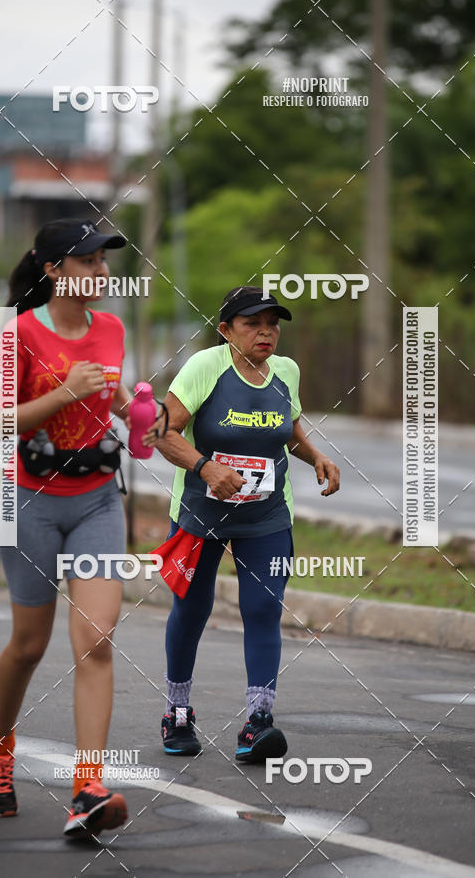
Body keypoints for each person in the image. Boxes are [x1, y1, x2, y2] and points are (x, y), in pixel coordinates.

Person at [0, 217, 134, 838]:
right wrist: (66, 392)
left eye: (103, 262)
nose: (101, 273)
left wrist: (144, 415)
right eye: (89, 261)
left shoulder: (114, 330)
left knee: (96, 642)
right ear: (53, 270)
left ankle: (88, 787)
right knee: (29, 645)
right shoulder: (13, 336)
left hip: (97, 502)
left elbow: (120, 399)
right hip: (28, 501)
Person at [149, 286, 340, 763]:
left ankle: (258, 722)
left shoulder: (286, 371)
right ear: (225, 329)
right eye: (253, 323)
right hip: (200, 512)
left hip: (266, 514)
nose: (266, 332)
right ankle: (177, 712)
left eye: (272, 323)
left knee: (263, 609)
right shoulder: (204, 368)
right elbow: (162, 431)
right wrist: (206, 468)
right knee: (192, 610)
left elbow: (287, 427)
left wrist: (314, 455)